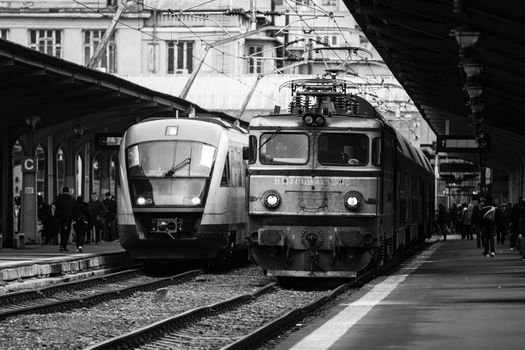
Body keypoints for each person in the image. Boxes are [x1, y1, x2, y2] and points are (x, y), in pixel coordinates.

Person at [53, 187, 75, 252]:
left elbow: (53, 205)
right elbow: (75, 208)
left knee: (62, 230)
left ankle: (61, 245)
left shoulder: (59, 197)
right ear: (68, 191)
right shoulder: (72, 198)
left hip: (61, 217)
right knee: (67, 232)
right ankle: (64, 245)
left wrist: (55, 215)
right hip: (69, 217)